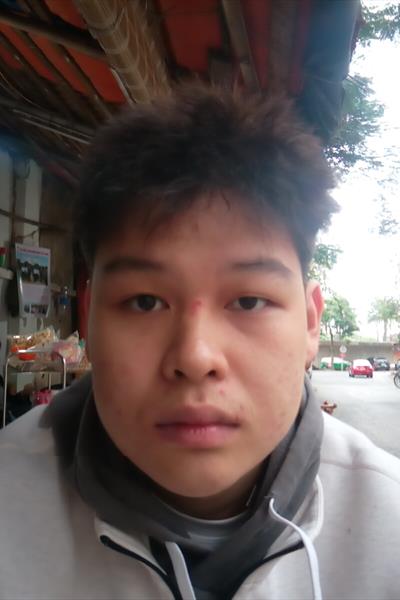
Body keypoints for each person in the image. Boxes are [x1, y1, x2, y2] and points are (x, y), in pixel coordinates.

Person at [1, 85, 399, 600]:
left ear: (309, 323)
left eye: (249, 301)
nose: (194, 357)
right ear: (89, 315)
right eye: (145, 301)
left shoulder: (387, 530)